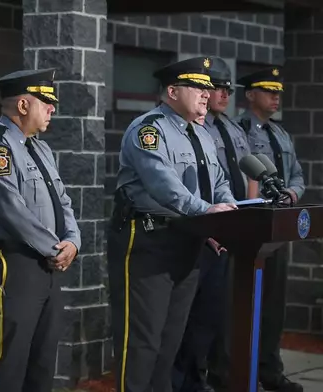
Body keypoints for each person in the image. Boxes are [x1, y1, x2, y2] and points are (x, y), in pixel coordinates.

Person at [108, 56, 238, 392]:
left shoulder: (203, 133)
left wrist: (225, 214)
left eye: (208, 88)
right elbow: (163, 184)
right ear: (172, 91)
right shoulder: (149, 130)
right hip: (149, 240)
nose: (206, 94)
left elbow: (219, 181)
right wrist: (207, 213)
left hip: (189, 240)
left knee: (169, 342)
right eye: (197, 86)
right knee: (143, 342)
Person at [0, 68, 81, 392]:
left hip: (46, 267)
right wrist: (55, 249)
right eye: (45, 102)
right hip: (14, 264)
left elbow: (63, 200)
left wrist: (73, 241)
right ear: (22, 105)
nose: (52, 109)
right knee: (10, 363)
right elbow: (12, 210)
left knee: (43, 361)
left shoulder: (41, 149)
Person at [173, 57, 259, 392]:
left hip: (230, 229)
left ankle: (203, 378)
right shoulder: (193, 127)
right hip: (200, 229)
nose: (218, 94)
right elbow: (184, 186)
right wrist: (212, 221)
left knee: (214, 316)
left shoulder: (232, 129)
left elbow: (239, 176)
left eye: (224, 88)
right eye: (212, 87)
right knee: (188, 319)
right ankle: (182, 381)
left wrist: (242, 215)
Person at [233, 67, 305, 392]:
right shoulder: (239, 131)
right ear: (250, 94)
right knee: (248, 307)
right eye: (268, 91)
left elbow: (298, 176)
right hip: (253, 230)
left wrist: (291, 193)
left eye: (278, 92)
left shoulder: (281, 134)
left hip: (281, 230)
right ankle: (244, 373)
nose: (275, 97)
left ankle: (271, 371)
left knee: (275, 307)